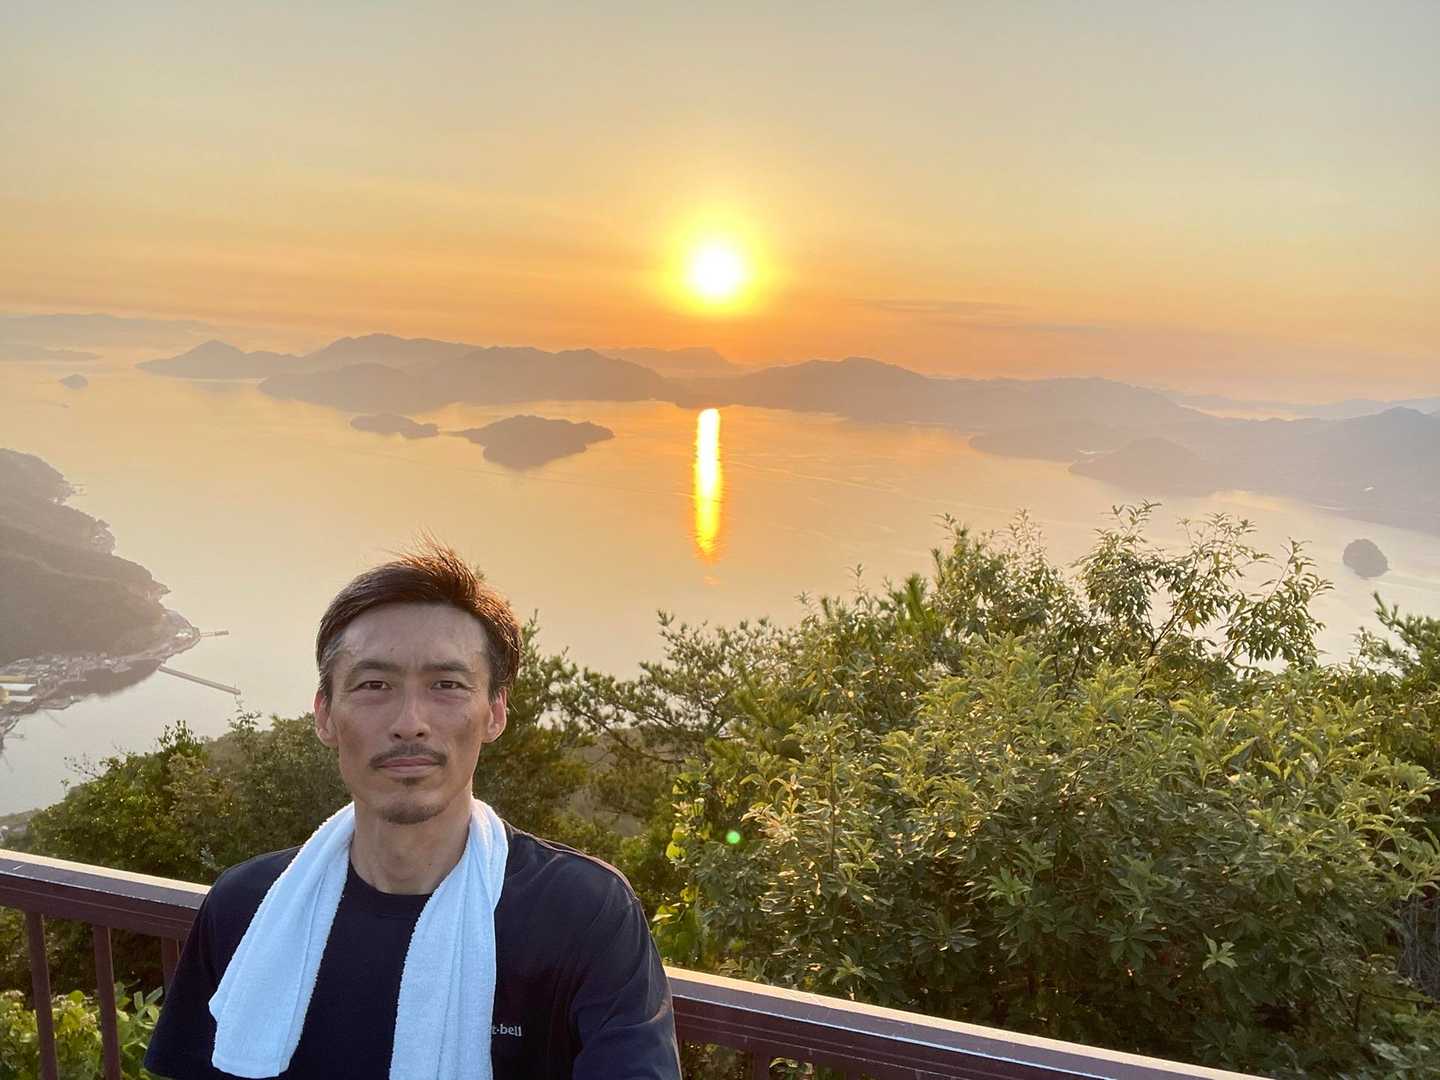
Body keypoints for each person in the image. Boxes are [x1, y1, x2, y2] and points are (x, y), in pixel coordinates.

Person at [144, 542, 682, 1079]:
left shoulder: (582, 914)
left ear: (494, 713)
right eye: (374, 685)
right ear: (325, 715)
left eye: (447, 685)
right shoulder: (245, 906)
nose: (409, 723)